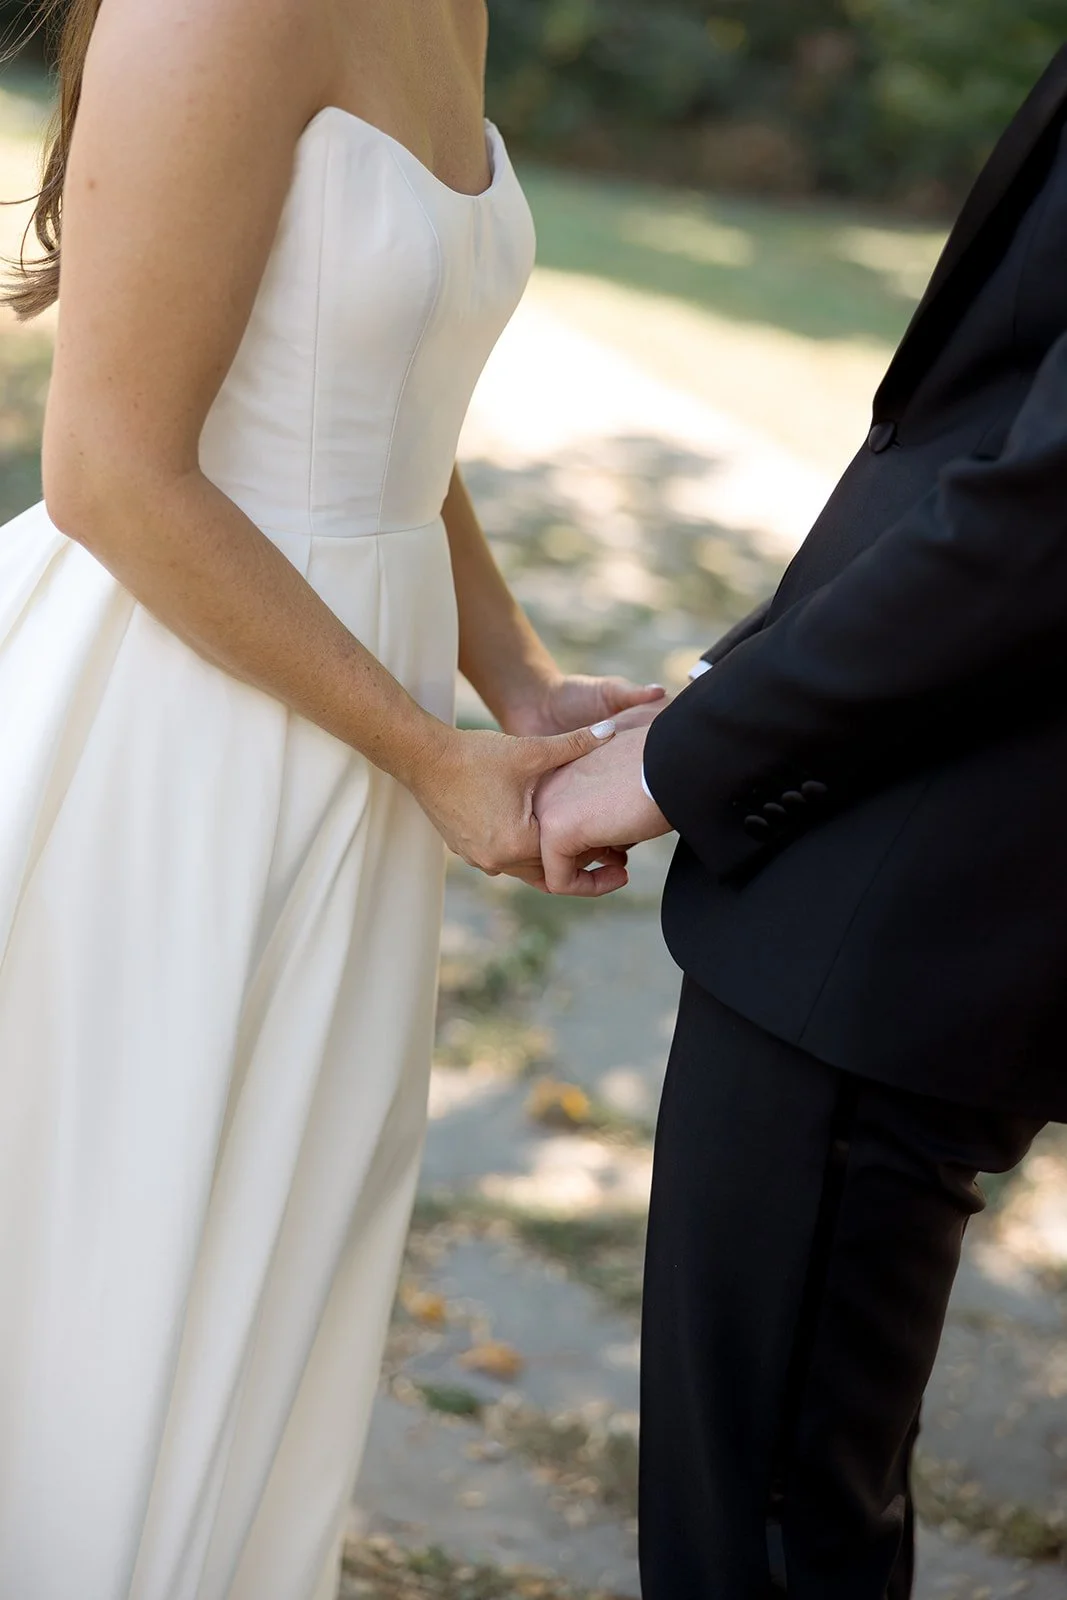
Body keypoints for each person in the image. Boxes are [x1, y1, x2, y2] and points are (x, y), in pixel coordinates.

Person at [0, 2, 664, 1595]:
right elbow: (109, 473)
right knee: (118, 1266)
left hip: (356, 723)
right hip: (176, 728)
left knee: (264, 1254)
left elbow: (389, 406)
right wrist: (430, 752)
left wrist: (514, 681)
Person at [537, 41, 1067, 1600]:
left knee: (761, 1517)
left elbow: (1043, 517)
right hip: (916, 835)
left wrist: (683, 762)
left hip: (924, 873)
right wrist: (730, 686)